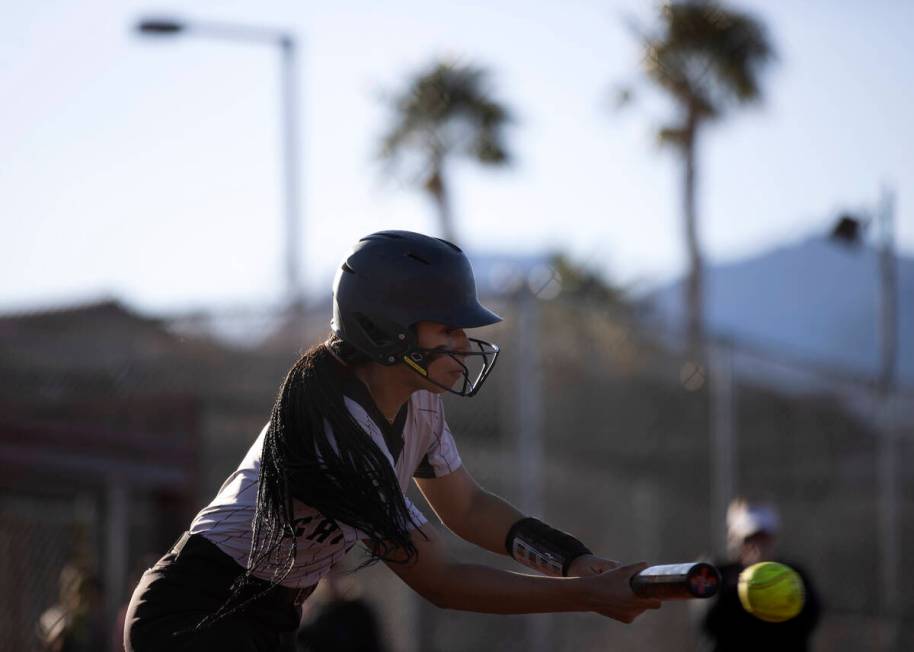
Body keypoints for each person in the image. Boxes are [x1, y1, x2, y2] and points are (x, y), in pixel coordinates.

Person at [124, 230, 661, 652]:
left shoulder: (419, 400)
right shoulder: (336, 428)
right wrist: (586, 596)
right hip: (191, 613)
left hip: (269, 616)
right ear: (389, 330)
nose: (463, 342)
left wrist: (572, 561)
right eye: (446, 329)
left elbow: (469, 508)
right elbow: (442, 581)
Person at [699, 498, 821, 652]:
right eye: (749, 539)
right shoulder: (716, 575)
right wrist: (743, 580)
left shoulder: (794, 576)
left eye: (763, 538)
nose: (757, 546)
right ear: (733, 538)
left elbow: (808, 621)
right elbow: (708, 624)